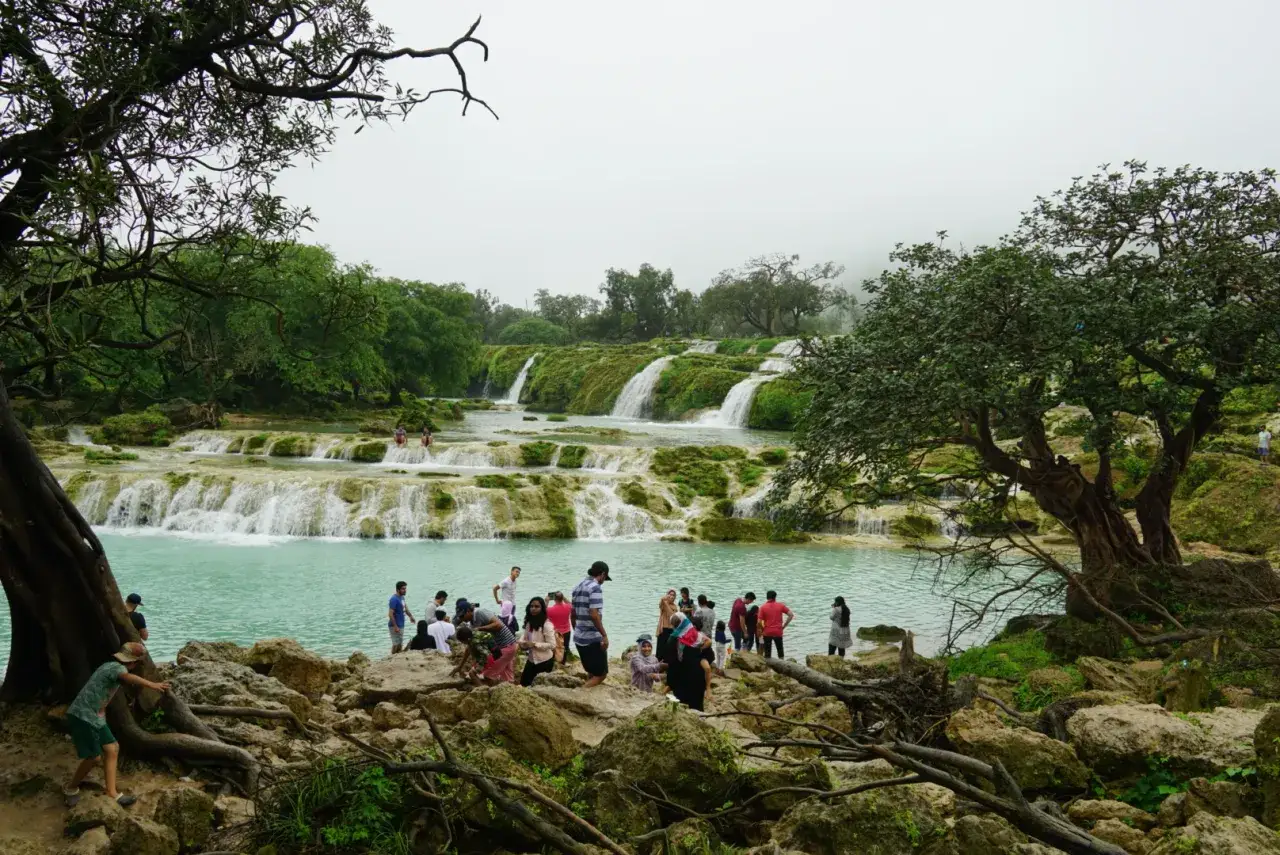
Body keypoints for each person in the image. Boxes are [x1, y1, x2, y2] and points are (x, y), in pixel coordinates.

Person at [63, 642, 170, 808]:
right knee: (94, 757)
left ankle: (112, 793)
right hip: (83, 715)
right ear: (133, 662)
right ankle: (71, 788)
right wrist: (153, 685)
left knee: (112, 748)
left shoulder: (109, 666)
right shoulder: (116, 668)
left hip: (96, 716)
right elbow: (129, 678)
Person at [454, 599, 519, 684]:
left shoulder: (480, 613)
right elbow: (470, 646)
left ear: (469, 611)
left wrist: (479, 628)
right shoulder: (472, 623)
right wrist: (460, 666)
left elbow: (498, 624)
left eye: (462, 616)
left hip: (505, 646)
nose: (461, 619)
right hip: (502, 647)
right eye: (459, 617)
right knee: (507, 679)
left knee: (486, 675)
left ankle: (485, 692)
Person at [571, 561, 611, 688]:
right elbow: (594, 614)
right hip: (592, 638)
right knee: (601, 675)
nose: (604, 581)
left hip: (578, 637)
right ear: (603, 574)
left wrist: (576, 629)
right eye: (605, 578)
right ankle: (579, 694)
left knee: (591, 672)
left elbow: (572, 613)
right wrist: (604, 635)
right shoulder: (595, 587)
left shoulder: (577, 586)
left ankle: (588, 693)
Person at [662, 614, 712, 711]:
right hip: (697, 677)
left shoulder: (672, 639)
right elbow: (709, 654)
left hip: (680, 677)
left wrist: (670, 684)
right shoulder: (697, 636)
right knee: (696, 706)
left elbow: (671, 663)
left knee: (681, 705)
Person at [519, 597, 558, 687]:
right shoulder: (529, 623)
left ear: (542, 609)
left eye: (537, 606)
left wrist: (534, 644)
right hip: (531, 659)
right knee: (523, 684)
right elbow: (524, 636)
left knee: (540, 686)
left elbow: (552, 645)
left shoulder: (547, 625)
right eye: (531, 606)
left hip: (544, 661)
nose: (533, 608)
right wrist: (522, 644)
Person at [758, 590, 794, 659]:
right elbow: (791, 615)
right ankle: (782, 664)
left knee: (767, 651)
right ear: (775, 597)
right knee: (780, 649)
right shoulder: (781, 605)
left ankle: (768, 666)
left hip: (767, 632)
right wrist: (784, 626)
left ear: (767, 597)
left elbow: (759, 622)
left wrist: (762, 629)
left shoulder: (762, 607)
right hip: (778, 631)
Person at [387, 581, 416, 655]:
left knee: (399, 643)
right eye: (403, 589)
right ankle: (392, 657)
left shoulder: (402, 597)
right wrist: (395, 626)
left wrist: (411, 616)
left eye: (405, 588)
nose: (405, 590)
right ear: (398, 589)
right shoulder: (394, 599)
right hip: (395, 625)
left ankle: (396, 657)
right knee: (396, 644)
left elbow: (405, 608)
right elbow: (390, 614)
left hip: (401, 624)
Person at [546, 591, 573, 664]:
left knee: (555, 648)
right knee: (565, 647)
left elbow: (542, 613)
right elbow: (570, 604)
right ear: (562, 598)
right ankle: (563, 662)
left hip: (556, 633)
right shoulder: (568, 607)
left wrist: (546, 601)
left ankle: (554, 661)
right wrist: (564, 597)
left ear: (554, 599)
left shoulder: (550, 610)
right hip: (567, 631)